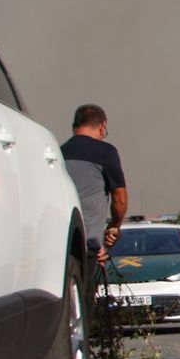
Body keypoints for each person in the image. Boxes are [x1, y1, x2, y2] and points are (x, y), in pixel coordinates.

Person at [61, 104, 127, 263]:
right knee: (87, 288)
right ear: (102, 125)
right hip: (90, 246)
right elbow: (120, 199)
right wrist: (114, 226)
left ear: (73, 127)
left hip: (62, 243)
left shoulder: (59, 152)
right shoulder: (106, 152)